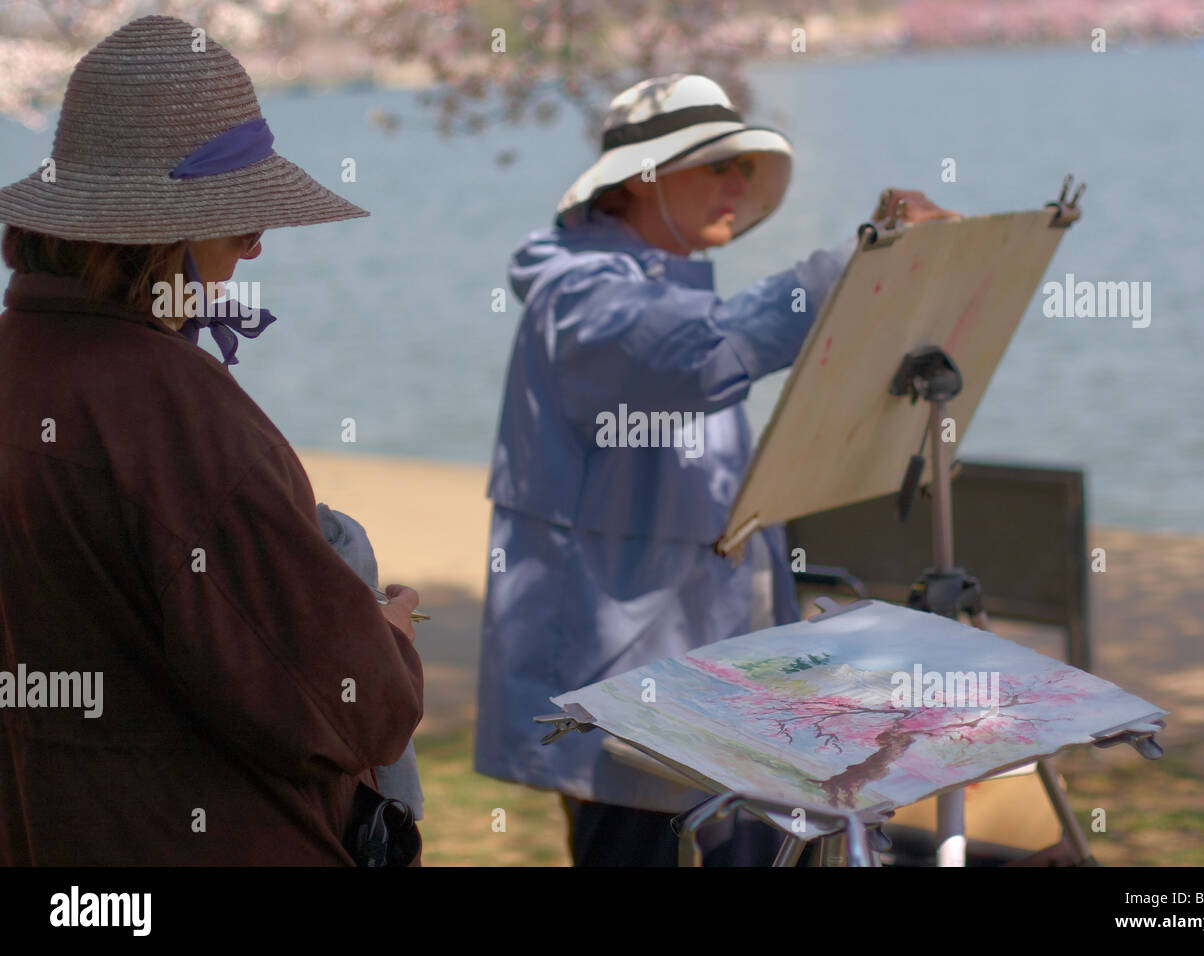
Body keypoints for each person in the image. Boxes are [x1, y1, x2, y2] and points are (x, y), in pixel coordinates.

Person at [475, 73, 957, 866]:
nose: (738, 183)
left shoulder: (663, 282)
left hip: (713, 672)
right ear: (641, 178)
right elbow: (693, 355)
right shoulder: (580, 296)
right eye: (716, 165)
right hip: (624, 681)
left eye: (744, 167)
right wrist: (854, 266)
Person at [0, 15, 424, 865]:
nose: (258, 242)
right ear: (158, 234)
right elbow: (344, 712)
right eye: (238, 219)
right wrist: (391, 637)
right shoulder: (177, 417)